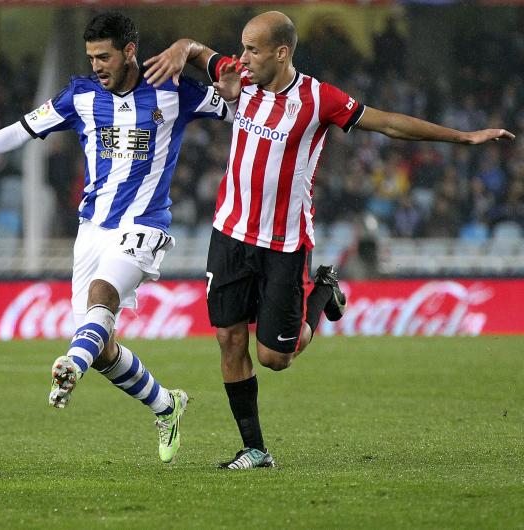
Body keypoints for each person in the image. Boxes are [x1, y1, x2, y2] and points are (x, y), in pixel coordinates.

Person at [144, 11, 515, 469]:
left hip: (284, 243)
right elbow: (197, 49)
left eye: (253, 50)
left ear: (281, 53)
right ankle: (255, 450)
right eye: (241, 48)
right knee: (228, 338)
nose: (242, 58)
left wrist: (461, 137)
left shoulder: (319, 99)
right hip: (230, 233)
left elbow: (389, 123)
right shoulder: (238, 74)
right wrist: (181, 51)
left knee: (276, 358)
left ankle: (323, 292)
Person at [0, 12, 229, 463]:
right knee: (101, 347)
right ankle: (166, 404)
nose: (96, 64)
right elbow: (18, 131)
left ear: (129, 51)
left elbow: (241, 97)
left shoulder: (172, 89)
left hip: (144, 225)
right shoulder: (79, 95)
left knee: (102, 299)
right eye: (91, 56)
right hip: (92, 230)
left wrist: (193, 51)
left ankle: (68, 365)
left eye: (104, 56)